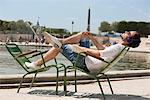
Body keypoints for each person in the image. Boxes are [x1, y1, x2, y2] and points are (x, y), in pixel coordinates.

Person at [25, 31, 141, 74]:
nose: (126, 32)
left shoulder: (118, 47)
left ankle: (37, 64)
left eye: (129, 33)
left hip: (86, 64)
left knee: (59, 46)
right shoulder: (121, 48)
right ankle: (59, 42)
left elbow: (99, 54)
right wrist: (91, 38)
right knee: (60, 45)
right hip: (90, 64)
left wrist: (82, 49)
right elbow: (102, 50)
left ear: (129, 40)